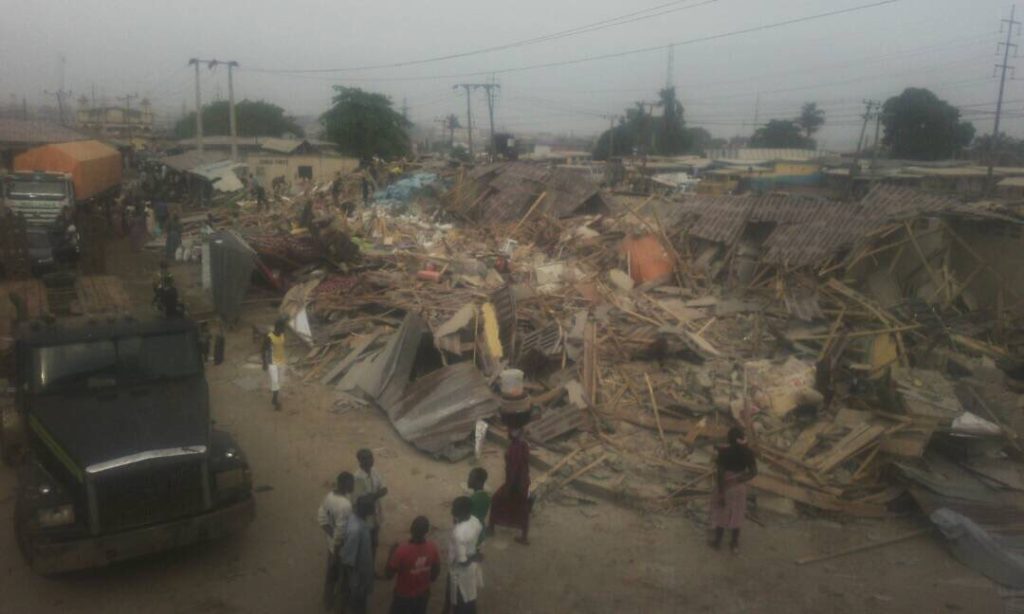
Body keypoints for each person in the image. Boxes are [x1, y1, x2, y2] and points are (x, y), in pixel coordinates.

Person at [710, 426, 758, 554]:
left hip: (725, 485)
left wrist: (721, 493)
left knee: (721, 512)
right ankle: (734, 543)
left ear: (729, 439)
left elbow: (720, 474)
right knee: (737, 512)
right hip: (739, 487)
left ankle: (717, 542)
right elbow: (754, 472)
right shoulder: (748, 453)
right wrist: (741, 479)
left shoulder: (724, 452)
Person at [385, 516, 440, 614]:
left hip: (403, 596)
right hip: (423, 595)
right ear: (427, 531)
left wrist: (391, 554)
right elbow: (434, 575)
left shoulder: (401, 550)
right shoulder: (432, 548)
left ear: (411, 529)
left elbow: (389, 575)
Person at [488, 427, 531, 545]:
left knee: (496, 501)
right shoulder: (524, 445)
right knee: (523, 508)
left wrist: (509, 487)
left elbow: (514, 470)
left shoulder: (514, 448)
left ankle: (491, 528)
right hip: (523, 482)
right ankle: (524, 536)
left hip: (515, 483)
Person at [319, 472, 355, 610]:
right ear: (345, 484)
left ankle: (327, 602)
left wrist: (331, 535)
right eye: (351, 483)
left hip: (331, 546)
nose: (353, 485)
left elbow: (322, 518)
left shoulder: (329, 496)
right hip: (341, 549)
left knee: (331, 576)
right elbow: (340, 533)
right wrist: (337, 551)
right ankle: (340, 607)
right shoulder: (345, 505)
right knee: (344, 580)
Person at [447, 496, 483, 614]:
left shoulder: (459, 533)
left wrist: (473, 557)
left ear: (462, 512)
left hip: (460, 572)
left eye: (455, 508)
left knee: (461, 601)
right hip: (472, 567)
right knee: (470, 597)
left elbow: (462, 561)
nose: (452, 510)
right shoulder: (475, 520)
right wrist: (476, 554)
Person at [340, 496, 376, 614]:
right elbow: (348, 560)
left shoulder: (359, 521)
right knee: (357, 604)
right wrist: (355, 584)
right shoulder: (355, 530)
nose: (373, 510)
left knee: (360, 602)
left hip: (362, 573)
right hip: (358, 577)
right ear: (365, 510)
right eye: (371, 508)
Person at [353, 448, 388, 565]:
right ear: (359, 461)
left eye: (370, 457)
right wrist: (375, 495)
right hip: (365, 518)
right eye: (365, 458)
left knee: (374, 543)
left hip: (376, 514)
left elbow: (385, 489)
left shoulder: (374, 471)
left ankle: (370, 568)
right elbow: (361, 501)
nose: (369, 460)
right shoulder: (357, 478)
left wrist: (372, 497)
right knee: (365, 546)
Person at [261, 318, 288, 410]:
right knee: (275, 381)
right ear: (278, 327)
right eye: (283, 328)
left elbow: (281, 346)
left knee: (280, 381)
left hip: (281, 362)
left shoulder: (282, 335)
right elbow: (263, 349)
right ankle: (275, 400)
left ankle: (275, 396)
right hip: (272, 362)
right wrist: (264, 362)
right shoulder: (269, 337)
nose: (284, 330)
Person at [467, 468, 490, 546]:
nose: (468, 480)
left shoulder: (473, 499)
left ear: (479, 482)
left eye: (471, 478)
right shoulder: (486, 497)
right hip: (480, 529)